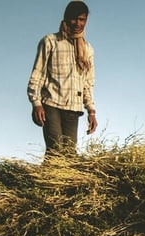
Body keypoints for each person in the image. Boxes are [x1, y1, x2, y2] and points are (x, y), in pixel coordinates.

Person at [27, 1, 97, 157]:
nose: (78, 23)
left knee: (69, 154)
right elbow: (37, 74)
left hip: (73, 107)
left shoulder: (87, 49)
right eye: (74, 19)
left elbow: (87, 82)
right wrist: (36, 103)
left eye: (82, 19)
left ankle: (63, 181)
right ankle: (45, 181)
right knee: (55, 150)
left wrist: (91, 111)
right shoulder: (50, 41)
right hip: (51, 104)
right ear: (66, 18)